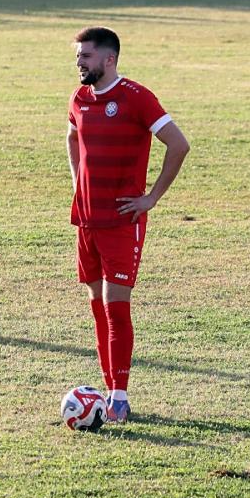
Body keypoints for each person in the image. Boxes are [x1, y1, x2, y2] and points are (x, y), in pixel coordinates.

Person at [66, 26, 190, 423]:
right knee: (98, 308)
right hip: (87, 220)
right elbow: (71, 138)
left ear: (108, 59)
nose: (79, 62)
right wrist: (78, 185)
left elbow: (179, 144)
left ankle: (119, 396)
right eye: (78, 56)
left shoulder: (136, 98)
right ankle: (106, 390)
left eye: (86, 56)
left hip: (122, 221)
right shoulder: (79, 98)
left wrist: (151, 198)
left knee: (116, 308)